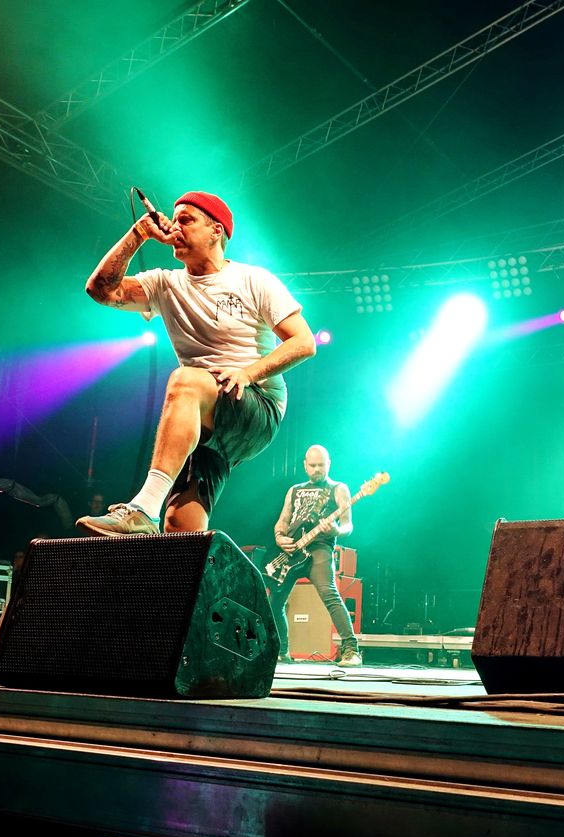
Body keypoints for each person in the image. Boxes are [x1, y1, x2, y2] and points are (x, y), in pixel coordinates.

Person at [76, 191, 315, 535]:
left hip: (255, 406)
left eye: (186, 220)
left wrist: (248, 373)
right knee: (179, 527)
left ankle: (142, 508)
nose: (176, 227)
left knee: (185, 379)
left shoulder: (252, 279)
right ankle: (175, 555)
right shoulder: (165, 283)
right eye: (174, 220)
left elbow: (304, 342)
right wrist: (138, 233)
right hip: (203, 416)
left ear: (216, 230)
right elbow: (101, 290)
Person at [267, 445, 359, 666]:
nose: (317, 469)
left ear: (329, 464)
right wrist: (279, 537)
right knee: (274, 603)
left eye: (321, 465)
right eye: (313, 465)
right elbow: (283, 520)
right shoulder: (295, 490)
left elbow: (348, 525)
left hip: (319, 549)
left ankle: (351, 650)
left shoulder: (338, 488)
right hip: (291, 552)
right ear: (305, 465)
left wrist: (336, 530)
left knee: (329, 595)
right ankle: (282, 651)